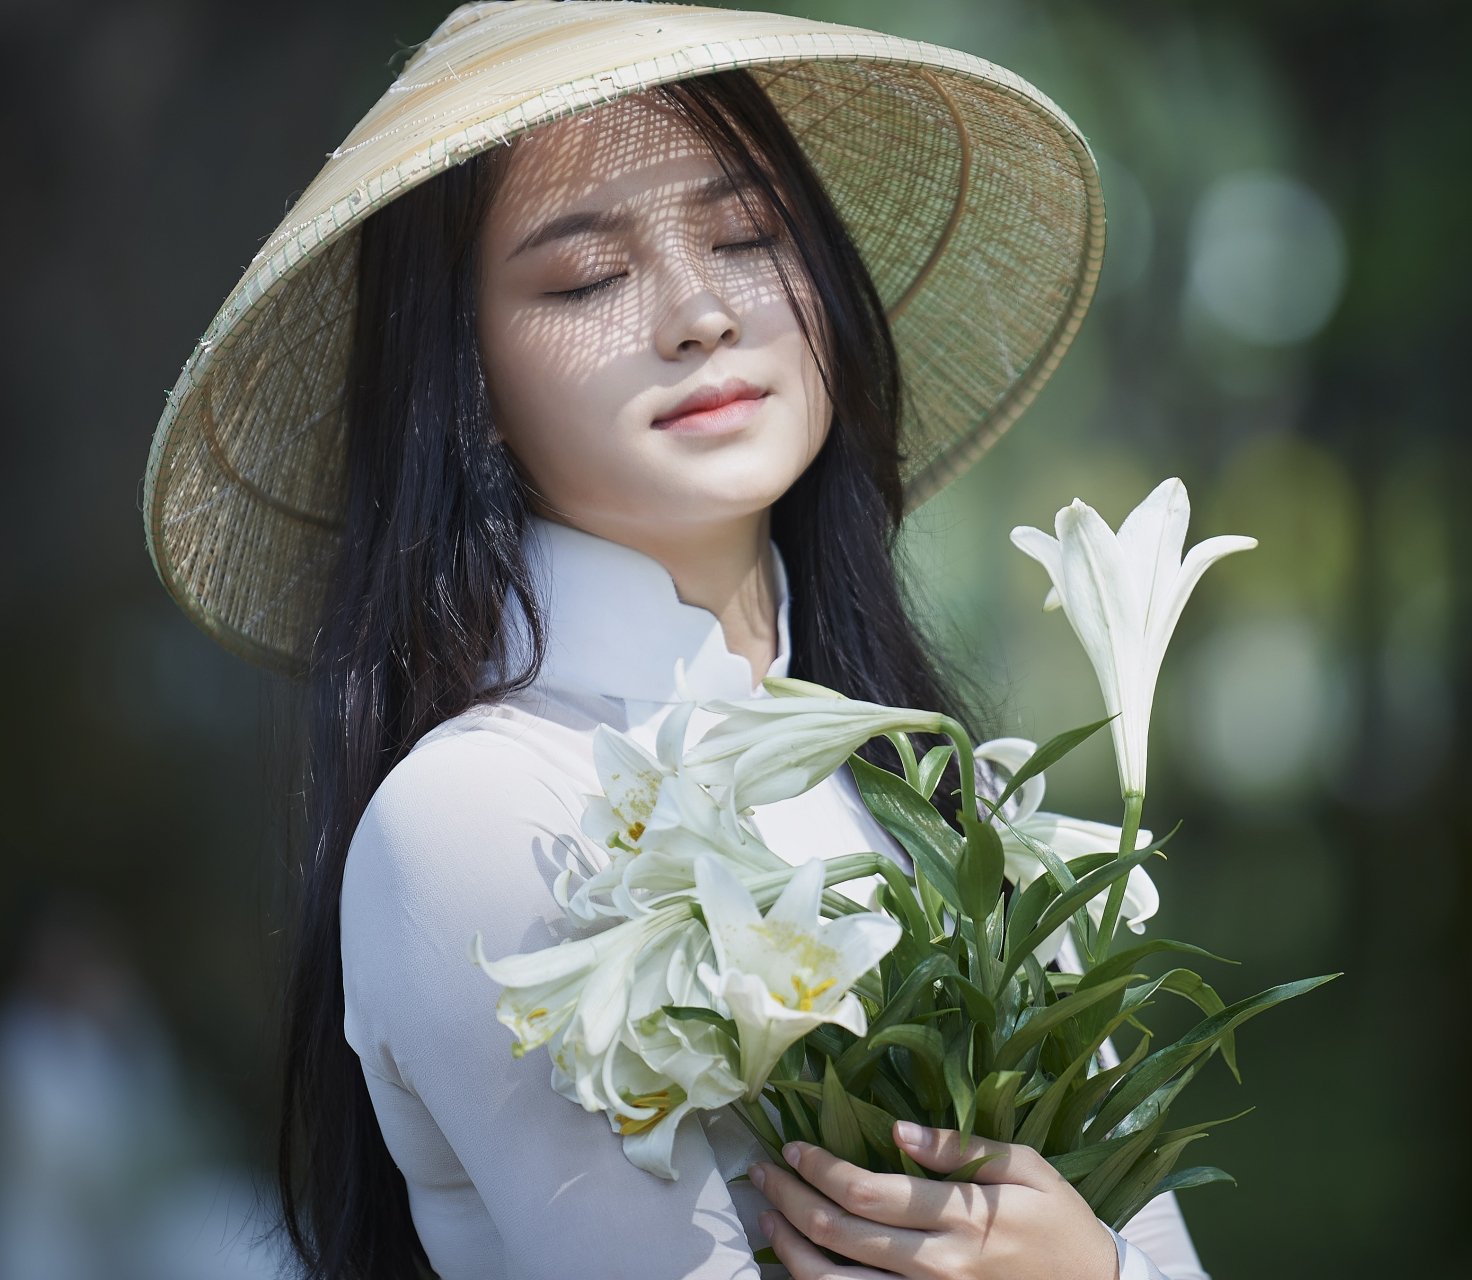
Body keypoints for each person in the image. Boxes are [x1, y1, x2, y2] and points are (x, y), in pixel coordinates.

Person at [139, 4, 1211, 1277]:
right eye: (587, 277)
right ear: (463, 380)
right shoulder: (481, 814)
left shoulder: (956, 799)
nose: (699, 312)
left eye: (748, 235)